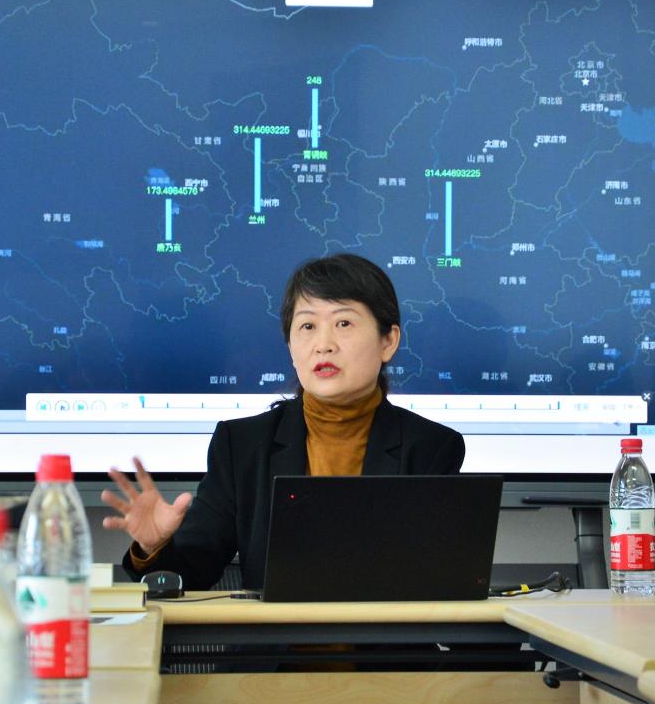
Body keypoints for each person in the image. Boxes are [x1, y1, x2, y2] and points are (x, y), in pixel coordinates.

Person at [101, 253, 466, 590]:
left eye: (343, 323)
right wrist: (155, 547)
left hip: (382, 641)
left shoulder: (431, 447)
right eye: (307, 326)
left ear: (388, 341)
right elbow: (193, 574)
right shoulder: (242, 445)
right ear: (291, 347)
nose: (323, 344)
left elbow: (435, 582)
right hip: (273, 641)